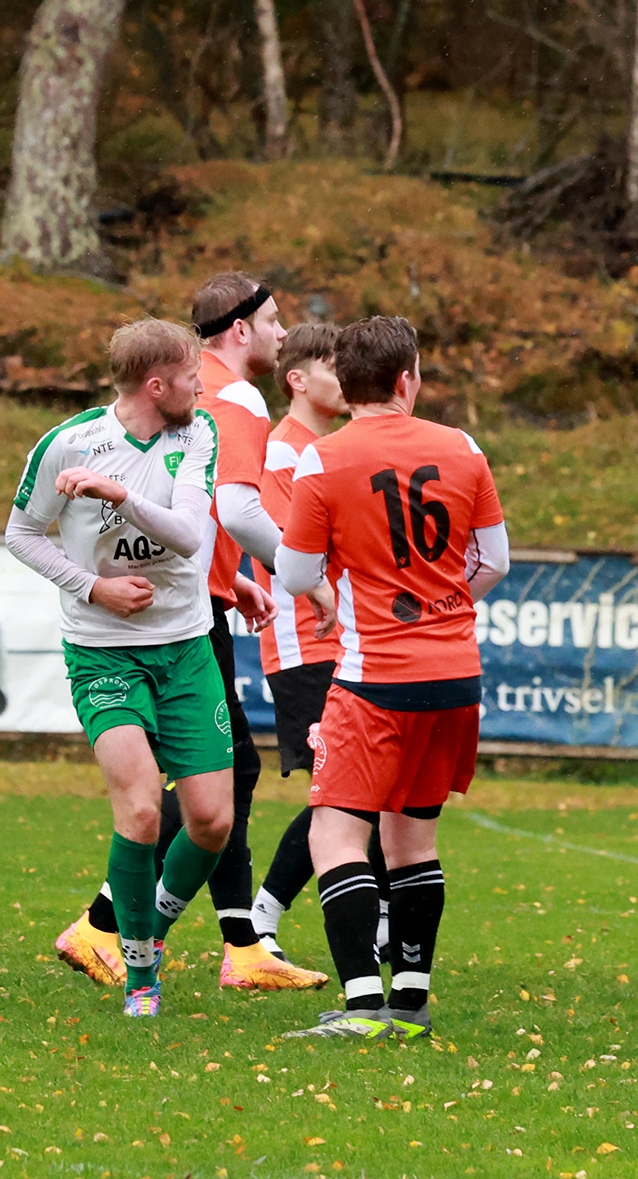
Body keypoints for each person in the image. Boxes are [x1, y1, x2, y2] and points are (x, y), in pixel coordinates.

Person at [53, 273, 332, 992]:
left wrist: (226, 578)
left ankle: (237, 943)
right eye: (272, 321)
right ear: (238, 329)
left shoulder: (190, 383)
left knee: (226, 778)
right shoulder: (229, 396)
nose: (279, 333)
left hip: (193, 596)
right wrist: (301, 577)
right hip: (172, 622)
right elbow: (235, 508)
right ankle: (109, 925)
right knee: (220, 779)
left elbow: (190, 507)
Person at [275, 315, 510, 1041]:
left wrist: (361, 588)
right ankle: (409, 1004)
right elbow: (493, 560)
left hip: (375, 675)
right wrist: (440, 601)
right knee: (414, 840)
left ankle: (361, 1008)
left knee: (335, 834)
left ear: (345, 388)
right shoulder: (462, 447)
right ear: (407, 379)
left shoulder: (324, 459)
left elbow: (293, 573)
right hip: (456, 674)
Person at [12, 319, 237, 1017]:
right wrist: (93, 586)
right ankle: (140, 974)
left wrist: (119, 497)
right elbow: (21, 534)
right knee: (142, 811)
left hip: (185, 647)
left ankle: (151, 928)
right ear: (156, 383)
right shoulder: (68, 443)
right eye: (191, 375)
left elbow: (189, 536)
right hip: (101, 652)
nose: (203, 386)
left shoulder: (196, 434)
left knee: (211, 823)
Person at [240, 324, 385, 964]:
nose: (344, 379)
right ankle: (260, 919)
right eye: (333, 367)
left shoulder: (322, 448)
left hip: (342, 642)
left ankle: (373, 919)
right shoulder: (283, 452)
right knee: (344, 794)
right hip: (306, 644)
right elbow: (279, 542)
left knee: (365, 790)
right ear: (297, 379)